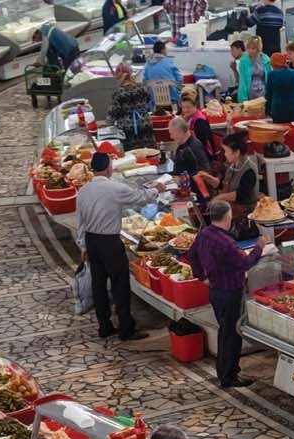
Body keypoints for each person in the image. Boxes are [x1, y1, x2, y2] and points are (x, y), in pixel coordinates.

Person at [188, 198, 261, 389]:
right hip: (230, 292)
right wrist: (260, 247)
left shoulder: (205, 234)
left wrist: (201, 277)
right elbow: (246, 263)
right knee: (231, 333)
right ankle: (229, 375)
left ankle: (224, 371)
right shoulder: (226, 242)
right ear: (228, 216)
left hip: (215, 291)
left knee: (225, 331)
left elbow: (192, 255)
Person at [76, 151, 146, 343]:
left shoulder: (83, 191)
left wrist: (83, 246)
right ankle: (126, 328)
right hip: (109, 242)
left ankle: (104, 326)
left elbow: (80, 222)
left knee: (98, 284)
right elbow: (140, 197)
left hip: (91, 241)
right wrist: (158, 188)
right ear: (108, 168)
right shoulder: (115, 188)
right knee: (120, 284)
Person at [167, 114, 209, 182]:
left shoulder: (194, 147)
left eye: (172, 133)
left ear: (180, 132)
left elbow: (203, 172)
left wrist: (182, 179)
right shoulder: (183, 144)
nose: (171, 137)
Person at [264, 51, 294, 120]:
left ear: (273, 64)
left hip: (279, 110)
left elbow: (269, 95)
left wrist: (267, 111)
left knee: (282, 130)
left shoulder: (271, 75)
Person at [144, 39, 183, 108]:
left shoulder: (147, 64)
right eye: (166, 49)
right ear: (162, 50)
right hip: (172, 96)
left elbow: (145, 81)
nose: (166, 51)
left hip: (154, 98)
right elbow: (180, 78)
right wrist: (179, 88)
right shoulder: (169, 61)